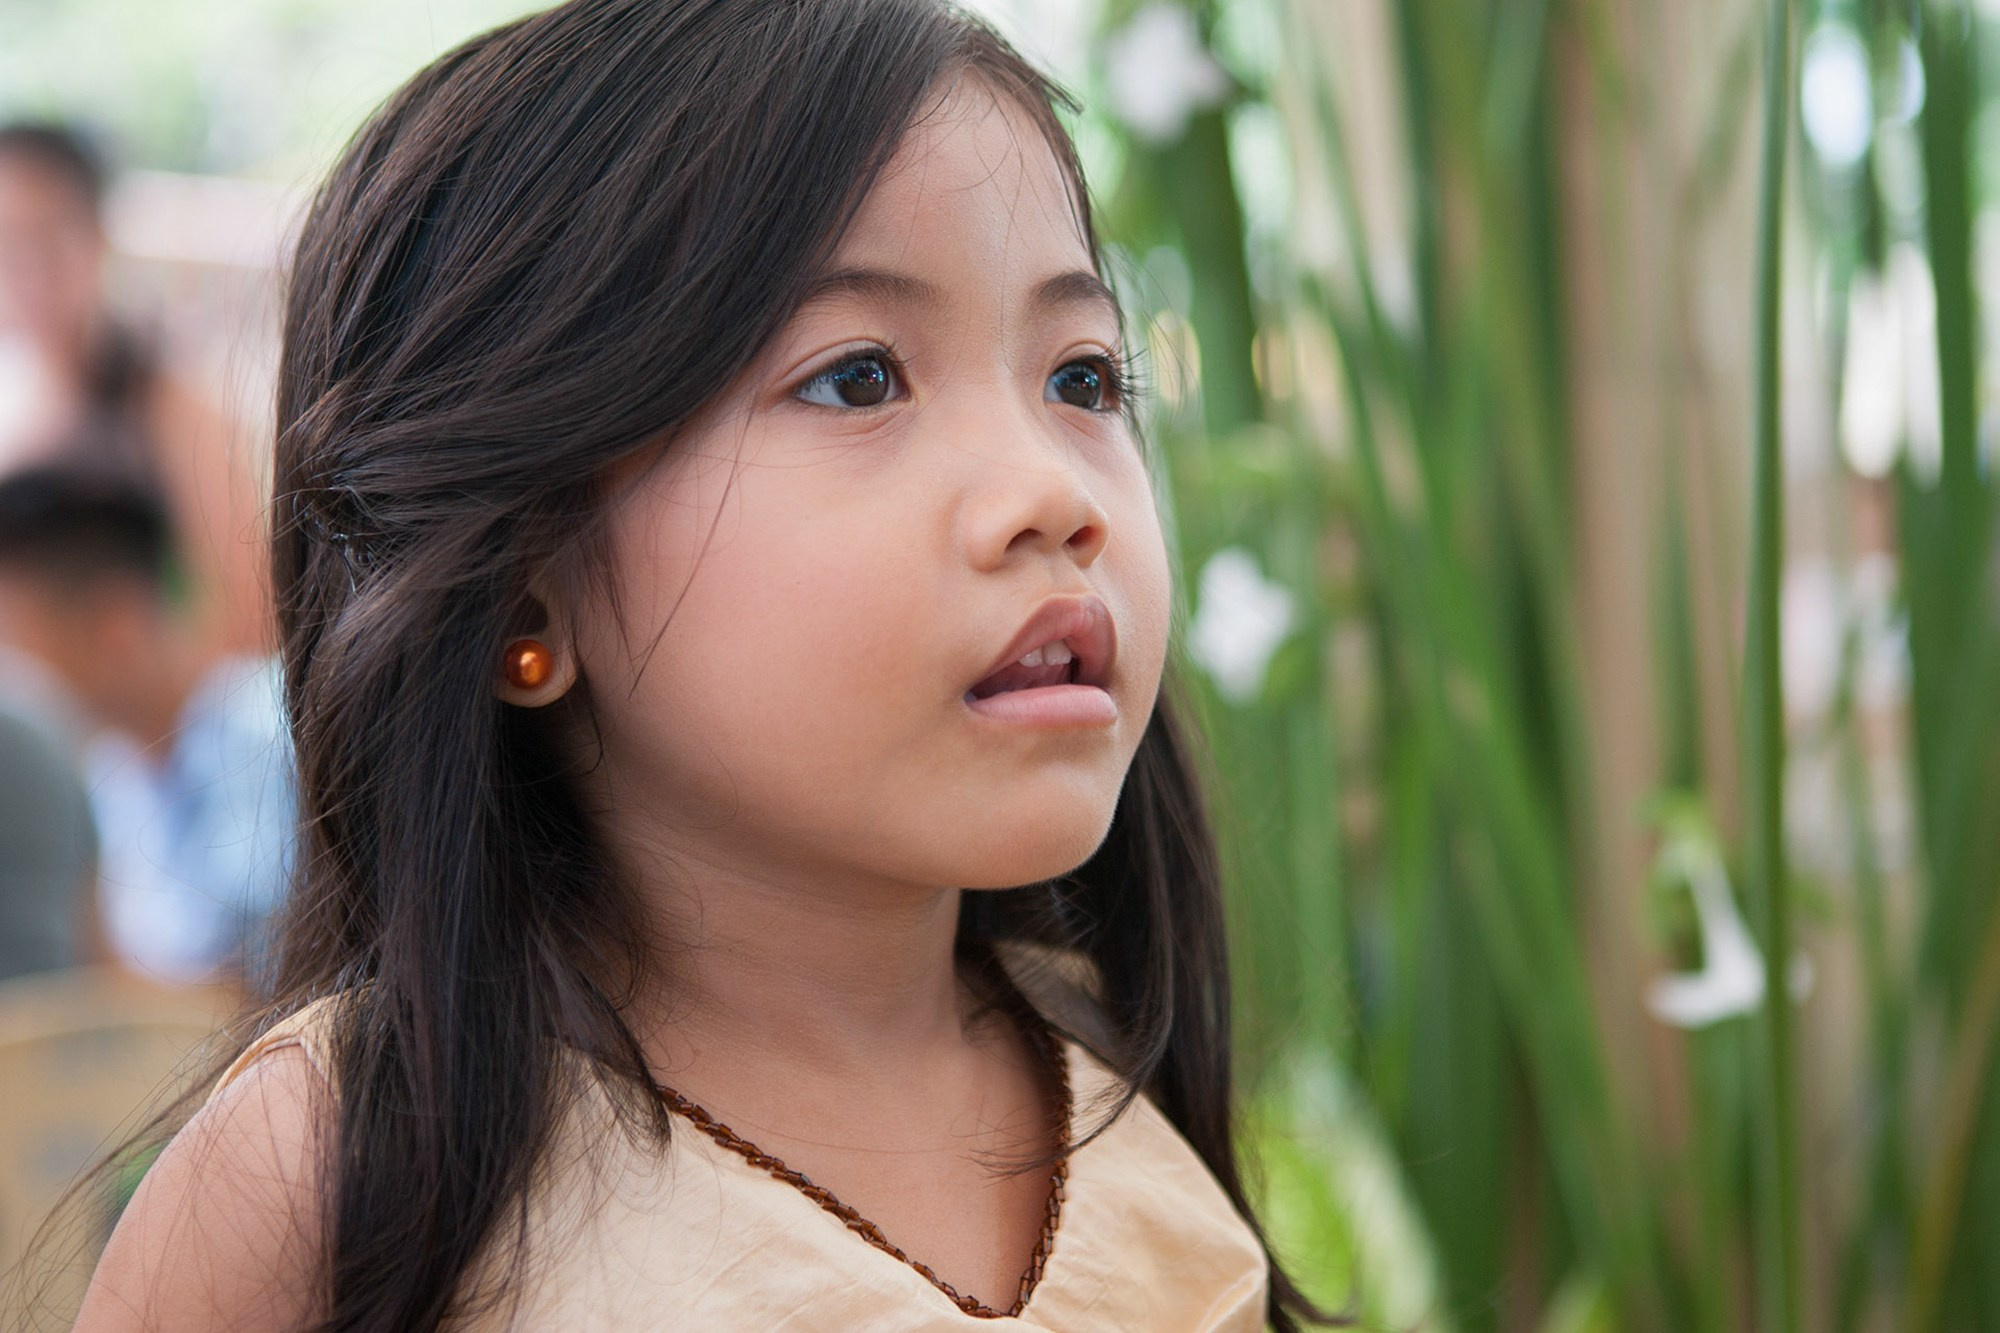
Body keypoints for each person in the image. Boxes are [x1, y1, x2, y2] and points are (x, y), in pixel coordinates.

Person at [71, 2, 1328, 1328]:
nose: (1052, 493)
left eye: (1083, 379)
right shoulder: (338, 1168)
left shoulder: (1105, 1058)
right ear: (517, 583)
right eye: (858, 379)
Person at [0, 465, 291, 984]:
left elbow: (257, 992)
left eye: (14, 642)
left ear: (116, 627)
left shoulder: (276, 734)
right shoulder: (110, 782)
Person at [0, 120, 269, 658]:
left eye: (47, 235)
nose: (25, 268)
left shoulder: (174, 406)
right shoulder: (15, 395)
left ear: (97, 233)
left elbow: (253, 617)